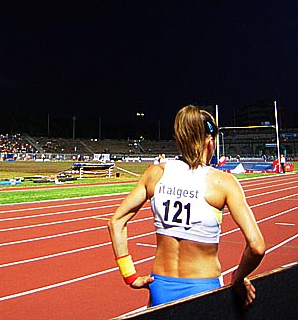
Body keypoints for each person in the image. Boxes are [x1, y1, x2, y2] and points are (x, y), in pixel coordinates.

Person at [108, 105, 265, 309]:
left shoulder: (155, 174)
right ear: (210, 141)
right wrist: (238, 277)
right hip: (204, 289)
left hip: (160, 287)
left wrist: (130, 275)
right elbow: (257, 246)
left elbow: (116, 222)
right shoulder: (223, 182)